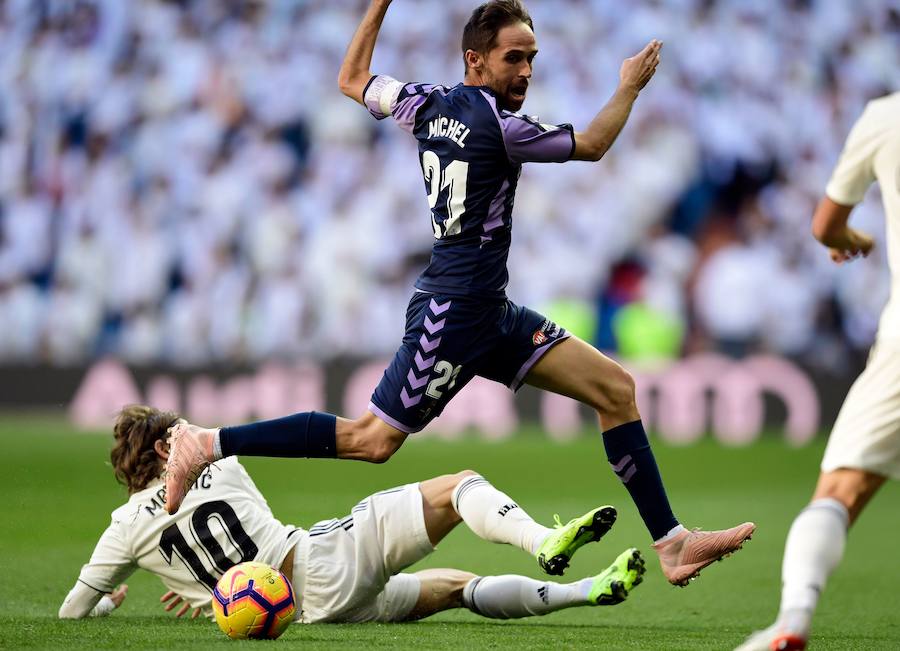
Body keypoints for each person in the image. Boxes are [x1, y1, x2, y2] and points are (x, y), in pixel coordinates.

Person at [165, 0, 754, 586]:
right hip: (453, 313)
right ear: (475, 59)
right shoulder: (501, 126)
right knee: (372, 441)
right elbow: (595, 143)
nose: (525, 71)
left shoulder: (424, 102)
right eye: (513, 58)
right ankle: (209, 442)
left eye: (532, 59)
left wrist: (378, 6)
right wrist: (628, 86)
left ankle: (671, 544)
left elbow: (351, 79)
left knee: (615, 389)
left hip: (489, 311)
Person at [60, 405, 646, 624]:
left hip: (296, 613)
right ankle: (543, 540)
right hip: (318, 562)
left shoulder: (125, 530)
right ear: (166, 449)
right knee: (458, 487)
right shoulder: (219, 458)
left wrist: (113, 600)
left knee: (450, 588)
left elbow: (71, 612)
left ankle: (587, 589)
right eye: (173, 431)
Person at [736, 93, 900, 651]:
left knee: (840, 487)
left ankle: (793, 620)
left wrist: (846, 240)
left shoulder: (886, 115)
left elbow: (827, 223)